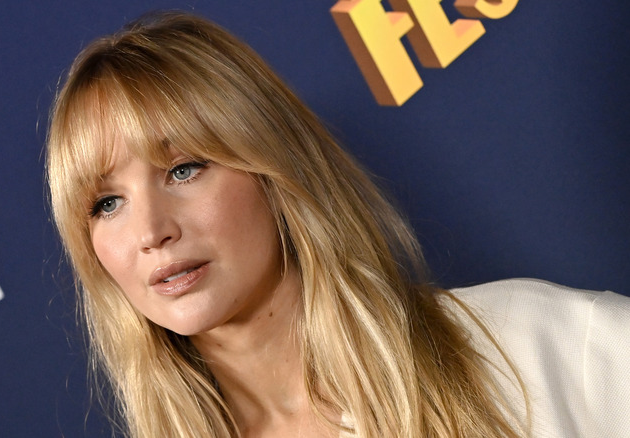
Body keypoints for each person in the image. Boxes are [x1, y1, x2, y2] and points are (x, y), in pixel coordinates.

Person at [46, 11, 630, 438]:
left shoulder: (534, 347)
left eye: (184, 168)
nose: (151, 231)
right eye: (106, 204)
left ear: (273, 169)